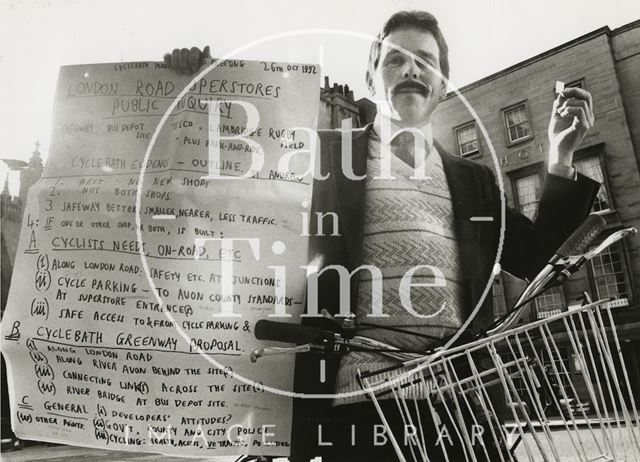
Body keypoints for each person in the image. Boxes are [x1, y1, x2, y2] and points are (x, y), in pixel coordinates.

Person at [166, 9, 599, 461]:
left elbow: (538, 260)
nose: (411, 69)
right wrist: (197, 91)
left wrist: (561, 154)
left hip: (461, 408)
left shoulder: (473, 181)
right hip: (359, 410)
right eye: (394, 60)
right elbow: (228, 194)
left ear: (442, 85)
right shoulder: (323, 158)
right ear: (371, 81)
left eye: (425, 61)